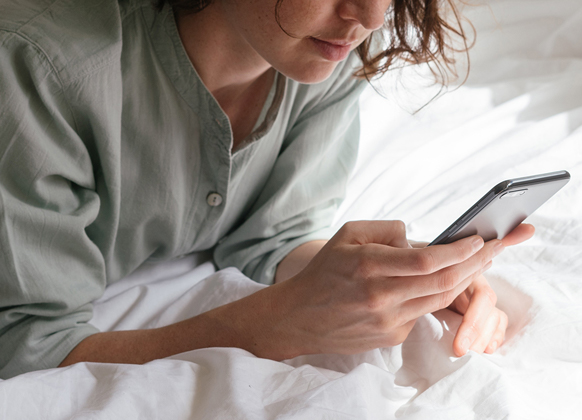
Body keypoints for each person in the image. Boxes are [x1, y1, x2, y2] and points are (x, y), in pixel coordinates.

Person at [0, 0, 533, 379]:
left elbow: (273, 237)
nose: (369, 17)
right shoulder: (38, 66)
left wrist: (400, 280)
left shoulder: (324, 55)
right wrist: (267, 326)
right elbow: (23, 347)